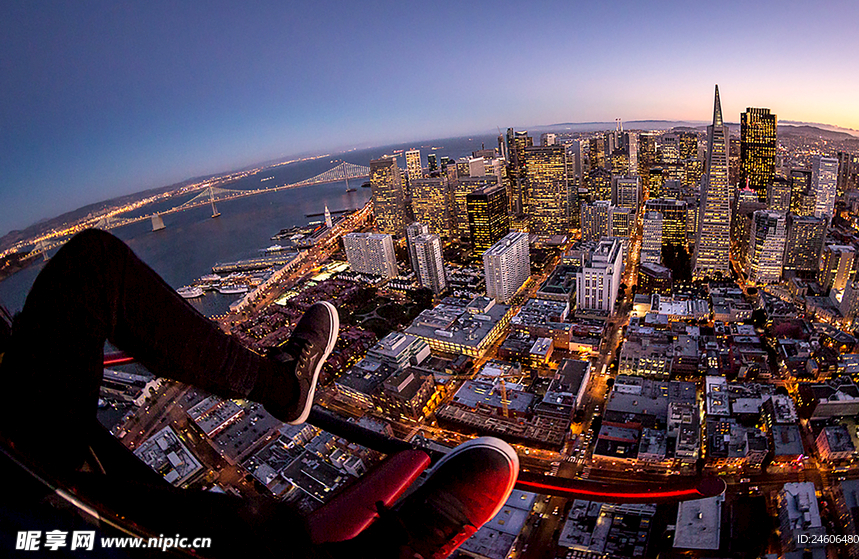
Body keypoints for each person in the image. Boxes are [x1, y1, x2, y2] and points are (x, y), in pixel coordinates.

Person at [0, 229, 518, 558]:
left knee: (94, 263)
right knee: (239, 538)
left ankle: (282, 384)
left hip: (19, 445)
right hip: (32, 503)